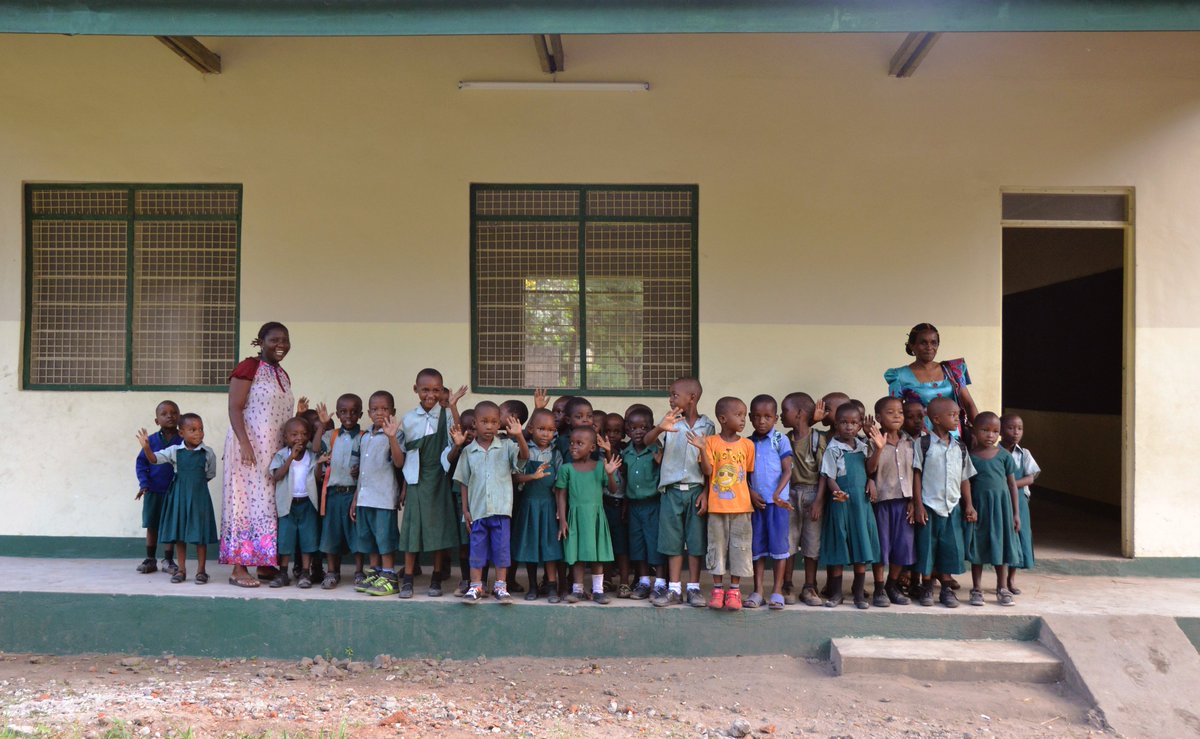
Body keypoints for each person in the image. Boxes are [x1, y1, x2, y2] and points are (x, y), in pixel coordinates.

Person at [221, 322, 295, 588]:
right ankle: (239, 567)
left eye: (285, 340)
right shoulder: (249, 368)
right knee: (244, 503)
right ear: (261, 342)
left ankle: (264, 562)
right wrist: (244, 443)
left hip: (272, 452)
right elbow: (235, 407)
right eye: (274, 340)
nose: (281, 345)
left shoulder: (282, 374)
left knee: (268, 505)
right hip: (248, 449)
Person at [645, 378, 715, 608]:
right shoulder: (669, 421)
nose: (670, 399)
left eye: (675, 395)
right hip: (672, 492)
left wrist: (706, 491)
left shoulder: (708, 427)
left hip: (696, 491)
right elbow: (647, 442)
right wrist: (659, 428)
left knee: (695, 542)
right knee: (672, 541)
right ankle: (674, 589)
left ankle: (693, 588)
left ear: (691, 398)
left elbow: (710, 467)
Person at [453, 401, 531, 604]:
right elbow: (463, 482)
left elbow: (524, 457)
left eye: (494, 422)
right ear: (475, 424)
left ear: (499, 425)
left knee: (501, 550)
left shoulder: (507, 446)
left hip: (501, 510)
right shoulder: (468, 452)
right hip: (477, 512)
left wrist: (519, 435)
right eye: (484, 422)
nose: (489, 426)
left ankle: (501, 586)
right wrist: (465, 510)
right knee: (476, 550)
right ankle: (476, 586)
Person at [398, 370, 464, 598]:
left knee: (438, 529)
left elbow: (456, 439)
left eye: (436, 390)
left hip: (438, 476)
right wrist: (405, 485)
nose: (431, 395)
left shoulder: (446, 415)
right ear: (415, 389)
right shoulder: (408, 419)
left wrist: (453, 406)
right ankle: (407, 579)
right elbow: (403, 456)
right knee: (411, 529)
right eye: (425, 389)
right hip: (415, 478)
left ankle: (436, 577)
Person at [691, 396, 757, 612]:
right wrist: (701, 448)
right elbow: (708, 472)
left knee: (739, 548)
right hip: (717, 508)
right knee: (716, 548)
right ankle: (718, 590)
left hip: (742, 508)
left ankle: (735, 591)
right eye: (738, 415)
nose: (743, 420)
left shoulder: (748, 445)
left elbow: (746, 476)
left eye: (744, 415)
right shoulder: (710, 442)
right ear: (722, 418)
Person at [136, 413, 218, 585]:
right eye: (193, 430)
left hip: (199, 497)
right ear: (181, 434)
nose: (198, 433)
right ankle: (181, 570)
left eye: (201, 429)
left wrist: (195, 486)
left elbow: (210, 474)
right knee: (180, 534)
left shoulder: (208, 453)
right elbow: (154, 459)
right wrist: (146, 448)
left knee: (200, 534)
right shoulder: (174, 451)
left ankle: (201, 571)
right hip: (179, 497)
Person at [814, 403, 881, 608]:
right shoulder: (832, 449)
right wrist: (837, 492)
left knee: (860, 546)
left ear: (860, 425)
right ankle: (836, 594)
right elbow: (829, 476)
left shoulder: (863, 446)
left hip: (860, 504)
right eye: (844, 423)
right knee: (839, 548)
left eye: (853, 423)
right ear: (836, 425)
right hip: (840, 503)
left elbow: (871, 468)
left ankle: (859, 594)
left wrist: (878, 449)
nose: (849, 427)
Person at [914, 396, 976, 608]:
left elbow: (964, 477)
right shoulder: (923, 444)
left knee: (951, 547)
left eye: (957, 415)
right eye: (952, 415)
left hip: (952, 506)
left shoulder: (960, 447)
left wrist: (969, 504)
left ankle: (946, 589)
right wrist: (918, 505)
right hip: (929, 505)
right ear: (936, 419)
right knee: (927, 547)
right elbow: (917, 475)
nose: (956, 419)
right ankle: (927, 587)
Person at [866, 396, 923, 607]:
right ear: (879, 418)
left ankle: (892, 584)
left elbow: (917, 474)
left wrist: (914, 502)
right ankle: (879, 588)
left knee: (903, 546)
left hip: (904, 503)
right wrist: (879, 447)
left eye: (900, 412)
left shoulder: (911, 442)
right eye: (891, 413)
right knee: (882, 547)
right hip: (881, 502)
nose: (897, 415)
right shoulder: (872, 441)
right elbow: (869, 469)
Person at [556, 425, 623, 604]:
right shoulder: (566, 469)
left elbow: (613, 488)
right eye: (571, 443)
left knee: (597, 554)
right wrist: (562, 519)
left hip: (595, 516)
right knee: (577, 555)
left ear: (592, 448)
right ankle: (577, 590)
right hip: (575, 516)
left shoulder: (600, 466)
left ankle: (598, 590)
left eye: (579, 443)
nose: (573, 447)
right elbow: (561, 494)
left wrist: (610, 474)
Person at [966, 412, 1022, 607]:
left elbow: (1012, 485)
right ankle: (976, 589)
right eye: (985, 430)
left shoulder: (1004, 456)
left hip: (1002, 509)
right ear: (974, 432)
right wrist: (969, 506)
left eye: (995, 431)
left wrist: (1016, 513)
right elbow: (967, 484)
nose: (990, 435)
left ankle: (1002, 587)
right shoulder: (970, 457)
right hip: (980, 509)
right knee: (978, 546)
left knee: (1002, 545)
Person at [354, 391, 406, 596]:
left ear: (392, 411)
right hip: (365, 497)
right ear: (368, 412)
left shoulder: (396, 434)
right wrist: (356, 497)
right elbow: (362, 472)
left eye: (384, 409)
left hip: (384, 498)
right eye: (375, 409)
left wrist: (391, 437)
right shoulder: (365, 437)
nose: (379, 413)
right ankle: (375, 572)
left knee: (384, 537)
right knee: (369, 538)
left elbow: (399, 462)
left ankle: (389, 575)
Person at [885, 323, 978, 435]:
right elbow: (895, 412)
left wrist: (980, 433)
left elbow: (968, 404)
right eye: (923, 343)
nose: (929, 347)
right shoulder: (899, 375)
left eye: (933, 342)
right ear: (912, 345)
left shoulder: (953, 370)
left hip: (954, 437)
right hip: (919, 438)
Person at [510, 409, 564, 602]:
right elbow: (514, 477)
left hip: (549, 506)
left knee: (550, 548)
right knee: (529, 546)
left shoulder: (556, 453)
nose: (545, 434)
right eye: (541, 429)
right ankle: (532, 586)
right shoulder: (524, 450)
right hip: (529, 505)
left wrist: (560, 509)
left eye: (550, 430)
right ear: (531, 429)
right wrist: (532, 476)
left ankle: (551, 587)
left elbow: (560, 484)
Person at [747, 395, 793, 611]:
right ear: (750, 418)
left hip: (778, 504)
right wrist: (750, 492)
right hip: (757, 505)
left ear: (775, 418)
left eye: (767, 417)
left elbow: (787, 470)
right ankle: (758, 591)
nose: (762, 421)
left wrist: (777, 493)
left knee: (779, 548)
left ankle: (777, 590)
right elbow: (744, 474)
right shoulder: (747, 443)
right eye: (756, 417)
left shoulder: (780, 440)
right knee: (757, 548)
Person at [781, 392, 827, 607]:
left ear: (799, 414)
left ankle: (810, 586)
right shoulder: (783, 440)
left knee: (812, 542)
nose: (781, 416)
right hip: (789, 494)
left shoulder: (818, 439)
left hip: (812, 494)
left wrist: (818, 501)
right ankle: (787, 584)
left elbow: (824, 474)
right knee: (788, 541)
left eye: (785, 411)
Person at [315, 395, 365, 589]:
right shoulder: (332, 436)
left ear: (360, 414)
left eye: (353, 412)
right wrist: (322, 424)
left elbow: (367, 462)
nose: (348, 416)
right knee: (331, 533)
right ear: (338, 413)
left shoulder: (363, 437)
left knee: (356, 534)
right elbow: (317, 448)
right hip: (334, 493)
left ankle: (359, 571)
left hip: (354, 493)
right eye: (343, 412)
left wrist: (360, 467)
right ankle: (332, 572)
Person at [268, 417, 324, 588]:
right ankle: (283, 572)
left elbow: (316, 478)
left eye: (304, 434)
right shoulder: (281, 455)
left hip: (307, 502)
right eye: (294, 434)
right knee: (285, 539)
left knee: (308, 538)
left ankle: (305, 572)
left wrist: (319, 465)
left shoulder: (311, 456)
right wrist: (290, 458)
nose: (299, 438)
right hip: (288, 504)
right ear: (285, 437)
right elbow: (276, 476)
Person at [620, 407, 664, 601]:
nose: (639, 431)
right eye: (634, 427)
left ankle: (661, 583)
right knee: (637, 545)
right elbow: (625, 481)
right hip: (634, 507)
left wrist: (660, 462)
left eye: (644, 427)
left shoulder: (657, 450)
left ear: (652, 429)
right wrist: (625, 506)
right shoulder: (626, 453)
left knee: (655, 544)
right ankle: (644, 582)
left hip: (653, 504)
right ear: (627, 430)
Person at [134, 400, 180, 575]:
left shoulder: (184, 441)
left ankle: (168, 560)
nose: (169, 416)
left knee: (170, 525)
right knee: (152, 525)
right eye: (164, 413)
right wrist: (144, 484)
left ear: (179, 417)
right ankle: (150, 559)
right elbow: (141, 463)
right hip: (153, 490)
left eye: (174, 412)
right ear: (156, 421)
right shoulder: (151, 441)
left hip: (175, 491)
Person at [1000, 413, 1040, 594]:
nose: (1015, 432)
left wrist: (1012, 485)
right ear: (1000, 430)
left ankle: (1011, 579)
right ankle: (1001, 580)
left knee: (1019, 535)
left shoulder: (1024, 454)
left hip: (1020, 500)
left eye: (1019, 428)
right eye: (1010, 428)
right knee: (1002, 537)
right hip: (1000, 499)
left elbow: (1030, 477)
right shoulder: (994, 453)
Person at [442, 409, 477, 596]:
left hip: (481, 503)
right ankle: (466, 579)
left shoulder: (485, 448)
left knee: (480, 544)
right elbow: (449, 459)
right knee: (464, 544)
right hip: (460, 502)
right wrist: (457, 445)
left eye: (473, 428)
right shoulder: (459, 449)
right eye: (465, 429)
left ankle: (480, 581)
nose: (469, 433)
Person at [601, 411, 632, 596]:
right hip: (603, 504)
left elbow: (628, 483)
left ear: (623, 433)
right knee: (605, 544)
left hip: (620, 505)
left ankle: (624, 582)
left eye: (617, 431)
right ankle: (605, 579)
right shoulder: (596, 452)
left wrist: (627, 506)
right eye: (608, 430)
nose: (612, 435)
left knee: (621, 547)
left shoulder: (626, 452)